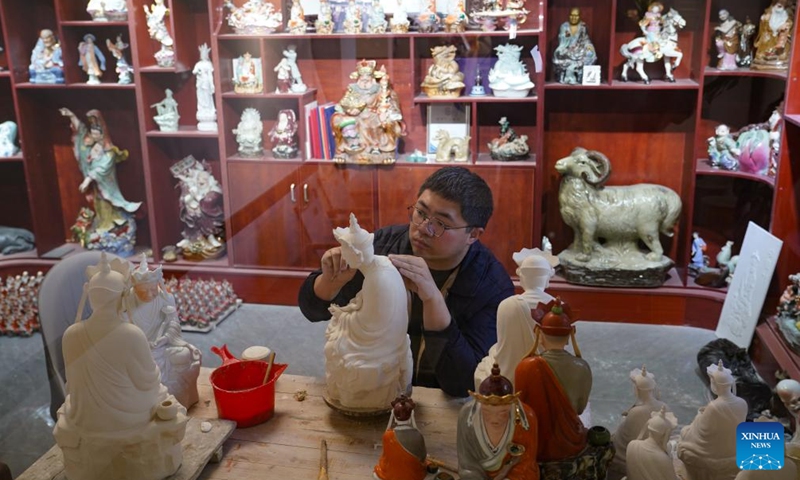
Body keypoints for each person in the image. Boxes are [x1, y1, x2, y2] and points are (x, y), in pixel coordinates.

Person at [299, 166, 514, 397]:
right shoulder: (383, 246)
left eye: (441, 224)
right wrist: (330, 283)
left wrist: (433, 300)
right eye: (420, 212)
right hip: (374, 389)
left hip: (438, 402)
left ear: (473, 235)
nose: (423, 228)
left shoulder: (493, 287)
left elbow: (464, 383)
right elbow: (312, 311)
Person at [514, 298, 591, 462]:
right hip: (572, 442)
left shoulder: (525, 366)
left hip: (536, 444)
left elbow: (520, 413)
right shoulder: (582, 367)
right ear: (570, 335)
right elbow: (579, 409)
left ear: (539, 334)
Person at [125, 254, 201, 409]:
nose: (149, 295)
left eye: (152, 289)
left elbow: (173, 324)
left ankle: (181, 399)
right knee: (140, 366)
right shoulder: (127, 302)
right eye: (142, 291)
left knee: (184, 355)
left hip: (164, 346)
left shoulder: (166, 299)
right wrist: (142, 344)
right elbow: (124, 330)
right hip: (140, 350)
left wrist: (165, 338)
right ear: (134, 288)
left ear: (158, 285)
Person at [457, 364, 539, 479]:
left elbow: (527, 464)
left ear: (511, 405)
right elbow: (467, 463)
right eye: (487, 412)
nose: (494, 419)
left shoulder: (526, 417)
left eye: (502, 413)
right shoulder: (467, 415)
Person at [552, 7, 597, 84]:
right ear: (569, 16)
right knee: (558, 54)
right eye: (572, 15)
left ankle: (577, 71)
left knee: (591, 54)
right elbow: (563, 39)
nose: (574, 18)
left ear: (579, 16)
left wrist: (589, 46)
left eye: (576, 16)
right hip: (567, 49)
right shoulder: (565, 26)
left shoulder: (583, 27)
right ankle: (570, 70)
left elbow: (585, 40)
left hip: (579, 49)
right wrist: (566, 40)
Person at [753, 0, 794, 69]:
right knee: (762, 48)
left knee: (782, 53)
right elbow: (764, 28)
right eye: (778, 2)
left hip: (780, 40)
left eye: (783, 3)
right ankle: (765, 55)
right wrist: (764, 21)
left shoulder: (787, 16)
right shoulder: (769, 13)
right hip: (769, 39)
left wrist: (785, 26)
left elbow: (790, 25)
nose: (780, 4)